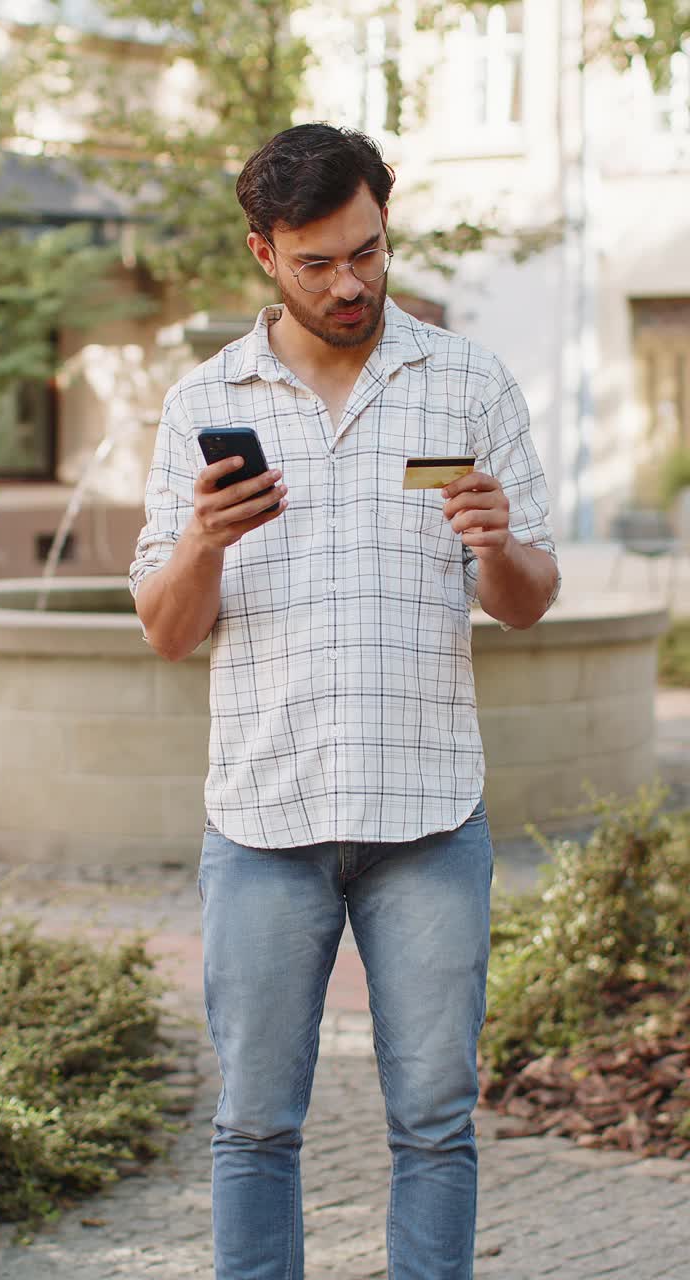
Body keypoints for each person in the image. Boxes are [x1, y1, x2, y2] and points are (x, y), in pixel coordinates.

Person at [129, 123, 560, 1280]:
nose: (352, 281)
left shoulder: (466, 381)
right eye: (317, 261)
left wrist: (500, 544)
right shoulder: (204, 399)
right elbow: (169, 630)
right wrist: (205, 545)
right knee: (256, 1125)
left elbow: (527, 601)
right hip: (265, 826)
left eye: (366, 251)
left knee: (435, 1122)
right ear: (265, 251)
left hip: (427, 822)